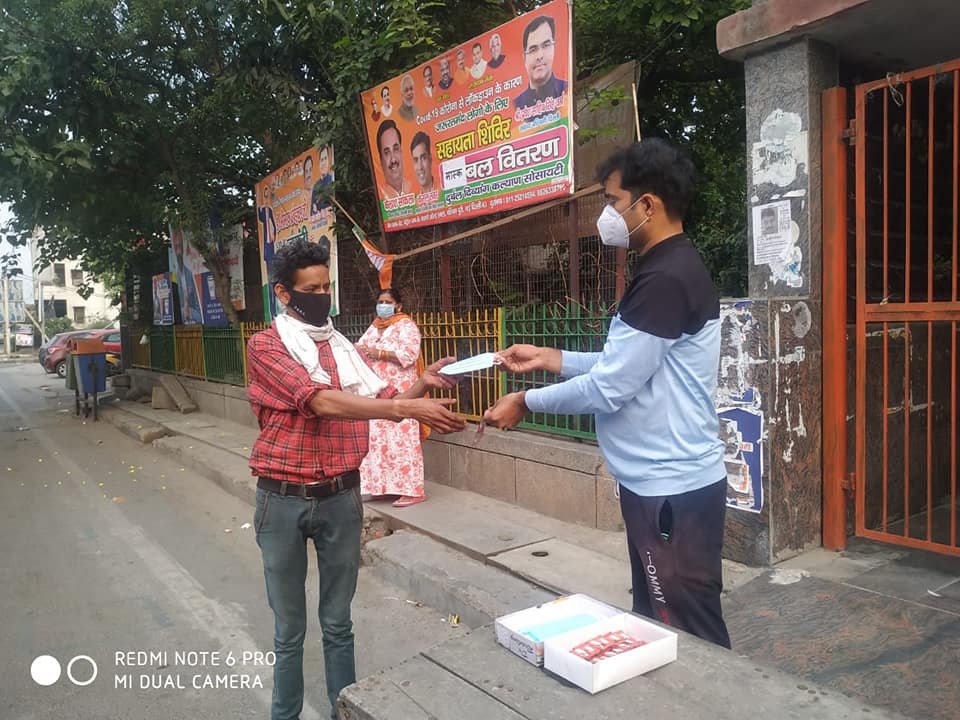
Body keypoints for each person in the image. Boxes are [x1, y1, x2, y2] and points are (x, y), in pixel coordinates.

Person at [484, 139, 732, 650]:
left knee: (693, 640)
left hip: (670, 490)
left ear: (648, 205)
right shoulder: (666, 268)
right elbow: (629, 367)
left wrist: (525, 402)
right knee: (657, 626)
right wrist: (551, 358)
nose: (607, 215)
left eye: (614, 201)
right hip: (659, 485)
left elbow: (610, 387)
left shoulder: (666, 277)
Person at [247, 240, 465, 720]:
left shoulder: (342, 348)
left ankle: (343, 710)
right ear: (284, 293)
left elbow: (382, 400)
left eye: (326, 286)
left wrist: (422, 384)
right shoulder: (266, 345)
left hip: (341, 497)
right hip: (282, 500)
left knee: (338, 622)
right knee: (289, 630)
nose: (322, 296)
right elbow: (319, 400)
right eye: (311, 289)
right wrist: (404, 407)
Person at [355, 288, 428, 507]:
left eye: (388, 302)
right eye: (380, 301)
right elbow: (360, 347)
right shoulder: (375, 326)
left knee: (402, 440)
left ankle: (413, 490)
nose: (383, 306)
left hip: (402, 392)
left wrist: (380, 353)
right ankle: (382, 488)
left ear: (398, 306)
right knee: (379, 441)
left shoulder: (406, 326)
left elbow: (410, 355)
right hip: (377, 393)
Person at [513, 15, 568, 117]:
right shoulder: (515, 106)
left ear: (554, 48)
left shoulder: (566, 90)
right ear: (524, 57)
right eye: (533, 49)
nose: (540, 56)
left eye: (546, 45)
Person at [257, 185, 279, 318]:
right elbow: (260, 219)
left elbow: (274, 225)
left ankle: (276, 310)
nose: (266, 198)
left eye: (267, 196)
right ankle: (272, 311)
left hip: (272, 248)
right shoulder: (262, 210)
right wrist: (261, 205)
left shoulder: (270, 210)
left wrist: (273, 235)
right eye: (264, 196)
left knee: (275, 280)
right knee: (270, 282)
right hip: (267, 251)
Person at [376, 120, 412, 199]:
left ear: (401, 152)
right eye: (387, 152)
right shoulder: (382, 197)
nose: (393, 160)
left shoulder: (416, 187)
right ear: (381, 160)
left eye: (395, 149)